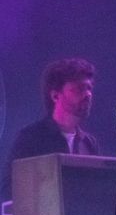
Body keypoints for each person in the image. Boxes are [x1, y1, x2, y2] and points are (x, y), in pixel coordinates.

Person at [1, 57, 99, 202]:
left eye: (89, 88)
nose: (88, 94)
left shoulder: (89, 143)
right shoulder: (31, 138)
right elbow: (8, 191)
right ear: (55, 95)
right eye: (79, 88)